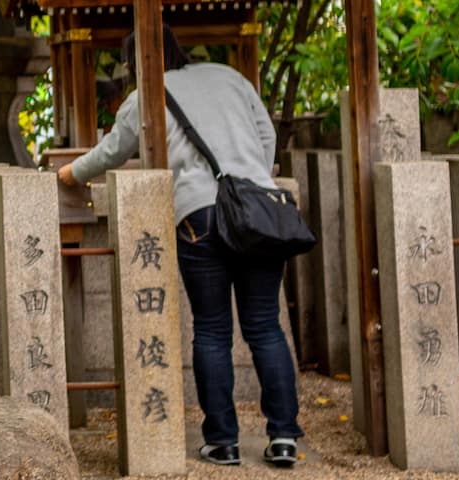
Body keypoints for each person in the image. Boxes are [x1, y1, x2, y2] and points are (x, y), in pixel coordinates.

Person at [55, 25, 304, 468]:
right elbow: (266, 137)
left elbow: (114, 150)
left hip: (199, 215)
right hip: (259, 212)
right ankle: (283, 438)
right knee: (265, 327)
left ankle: (223, 442)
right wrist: (248, 185)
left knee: (211, 330)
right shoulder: (230, 77)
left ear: (135, 62)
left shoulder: (148, 93)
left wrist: (70, 174)